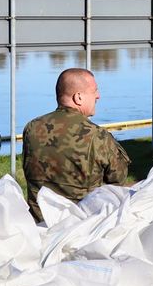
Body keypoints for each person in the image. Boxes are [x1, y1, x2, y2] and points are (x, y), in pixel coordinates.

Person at [21, 67, 130, 222]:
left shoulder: (31, 128)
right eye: (94, 91)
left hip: (39, 224)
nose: (98, 96)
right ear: (78, 97)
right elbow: (118, 180)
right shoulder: (97, 136)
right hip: (82, 226)